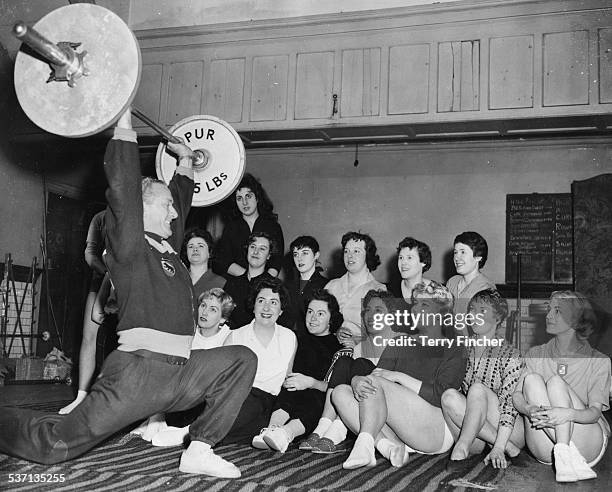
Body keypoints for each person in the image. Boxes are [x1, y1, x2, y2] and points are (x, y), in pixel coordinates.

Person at [0, 109, 257, 479]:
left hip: (180, 373)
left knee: (241, 359)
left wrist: (185, 163)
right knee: (54, 447)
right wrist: (123, 124)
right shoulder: (129, 247)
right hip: (136, 374)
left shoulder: (167, 249)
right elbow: (122, 189)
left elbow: (181, 207)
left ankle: (199, 449)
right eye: (164, 204)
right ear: (141, 208)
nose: (173, 213)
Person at [331, 281, 466, 469]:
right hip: (398, 430)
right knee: (339, 393)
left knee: (377, 383)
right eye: (415, 304)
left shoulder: (455, 345)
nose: (416, 310)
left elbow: (441, 395)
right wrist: (356, 381)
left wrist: (399, 377)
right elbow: (374, 382)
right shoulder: (400, 341)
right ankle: (389, 448)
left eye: (425, 305)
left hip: (434, 431)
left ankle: (364, 445)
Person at [512, 291, 611, 483]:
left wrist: (567, 414)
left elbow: (594, 414)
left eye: (557, 311)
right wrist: (528, 409)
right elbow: (517, 396)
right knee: (532, 379)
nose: (548, 315)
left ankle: (565, 451)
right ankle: (564, 455)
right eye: (549, 309)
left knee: (556, 382)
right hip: (544, 446)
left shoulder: (599, 361)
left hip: (587, 443)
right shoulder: (535, 354)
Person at [302, 289, 397, 454]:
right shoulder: (359, 347)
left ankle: (337, 430)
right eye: (367, 310)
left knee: (361, 364)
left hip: (385, 409)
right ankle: (324, 425)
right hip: (356, 408)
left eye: (378, 311)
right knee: (344, 361)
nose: (371, 316)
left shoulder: (399, 343)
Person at [441, 289, 524, 469]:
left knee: (477, 389)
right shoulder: (463, 349)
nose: (473, 315)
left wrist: (501, 443)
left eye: (482, 311)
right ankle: (508, 449)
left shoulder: (511, 354)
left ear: (498, 318)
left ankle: (462, 447)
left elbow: (510, 406)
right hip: (478, 436)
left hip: (509, 430)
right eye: (471, 310)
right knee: (448, 396)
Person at [252, 288, 342, 452]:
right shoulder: (296, 338)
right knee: (288, 388)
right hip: (291, 391)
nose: (313, 318)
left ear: (331, 319)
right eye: (310, 312)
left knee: (314, 399)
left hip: (317, 395)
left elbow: (335, 387)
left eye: (321, 314)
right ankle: (271, 430)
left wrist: (311, 383)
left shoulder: (337, 347)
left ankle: (286, 434)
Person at [59, 210, 108, 414]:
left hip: (132, 285)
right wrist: (107, 273)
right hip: (102, 282)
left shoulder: (141, 214)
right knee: (89, 338)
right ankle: (81, 396)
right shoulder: (99, 218)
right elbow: (90, 253)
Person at [325, 232, 386, 357]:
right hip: (328, 348)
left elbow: (382, 336)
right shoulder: (331, 286)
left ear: (367, 256)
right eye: (346, 251)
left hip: (361, 353)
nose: (350, 256)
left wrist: (356, 341)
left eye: (356, 251)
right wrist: (335, 330)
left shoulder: (378, 290)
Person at [213, 173, 284, 278]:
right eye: (239, 198)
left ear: (257, 198)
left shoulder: (273, 226)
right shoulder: (231, 228)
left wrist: (264, 281)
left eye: (248, 196)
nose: (244, 202)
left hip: (266, 283)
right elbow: (224, 261)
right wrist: (247, 277)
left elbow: (277, 260)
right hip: (239, 281)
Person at [224, 232, 291, 328]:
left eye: (262, 249)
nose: (256, 252)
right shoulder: (231, 284)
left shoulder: (276, 286)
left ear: (269, 255)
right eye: (252, 247)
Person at [446, 231, 496, 315]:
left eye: (463, 252)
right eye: (455, 252)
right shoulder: (452, 282)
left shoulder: (486, 288)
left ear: (478, 257)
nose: (457, 258)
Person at [287, 236, 328, 335]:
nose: (299, 259)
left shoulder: (326, 285)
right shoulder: (287, 286)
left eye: (305, 253)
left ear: (316, 255)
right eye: (296, 254)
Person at [182, 228, 225, 303]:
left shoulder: (221, 282)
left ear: (209, 253)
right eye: (191, 246)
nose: (195, 249)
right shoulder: (178, 279)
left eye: (200, 246)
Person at [388, 237, 433, 304]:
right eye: (401, 258)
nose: (403, 262)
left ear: (423, 262)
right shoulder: (389, 291)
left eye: (409, 257)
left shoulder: (437, 292)